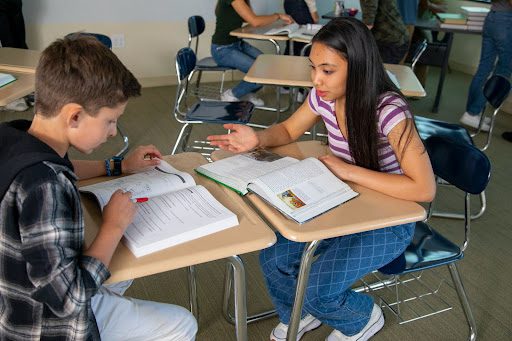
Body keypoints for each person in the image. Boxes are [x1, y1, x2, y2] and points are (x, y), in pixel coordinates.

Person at [208, 17, 435, 341]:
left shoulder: (389, 110)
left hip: (391, 221)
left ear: (357, 66)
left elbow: (424, 189)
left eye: (327, 70)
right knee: (273, 259)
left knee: (317, 289)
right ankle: (300, 314)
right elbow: (287, 129)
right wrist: (257, 140)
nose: (317, 79)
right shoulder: (323, 97)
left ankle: (362, 317)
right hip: (344, 200)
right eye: (313, 68)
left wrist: (346, 170)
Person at [0, 35, 197, 341]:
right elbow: (68, 300)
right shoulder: (43, 187)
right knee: (183, 324)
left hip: (17, 291)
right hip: (44, 325)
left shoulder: (16, 135)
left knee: (125, 268)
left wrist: (117, 167)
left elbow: (62, 164)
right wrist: (113, 226)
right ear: (74, 115)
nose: (113, 132)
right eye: (109, 121)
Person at [211, 0, 293, 106]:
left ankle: (247, 94)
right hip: (222, 49)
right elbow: (255, 21)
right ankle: (231, 94)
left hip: (237, 44)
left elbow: (248, 18)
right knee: (259, 72)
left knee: (267, 65)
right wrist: (278, 16)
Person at [459, 0, 512, 131]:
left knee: (484, 68)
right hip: (506, 20)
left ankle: (472, 114)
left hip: (492, 17)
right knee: (503, 70)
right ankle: (473, 112)